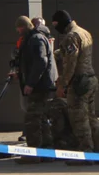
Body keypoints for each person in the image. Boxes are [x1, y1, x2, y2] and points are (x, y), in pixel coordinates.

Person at [52, 10, 99, 162]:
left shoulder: (71, 36)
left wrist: (62, 84)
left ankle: (86, 152)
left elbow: (71, 62)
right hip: (90, 79)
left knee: (79, 119)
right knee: (91, 117)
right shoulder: (84, 32)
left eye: (55, 24)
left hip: (79, 82)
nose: (55, 27)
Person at [14, 15, 67, 164]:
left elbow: (40, 62)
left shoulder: (35, 39)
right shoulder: (36, 38)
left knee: (33, 119)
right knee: (43, 118)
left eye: (19, 29)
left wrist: (30, 83)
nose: (18, 32)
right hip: (43, 85)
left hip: (40, 87)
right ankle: (47, 151)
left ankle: (33, 153)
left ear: (23, 27)